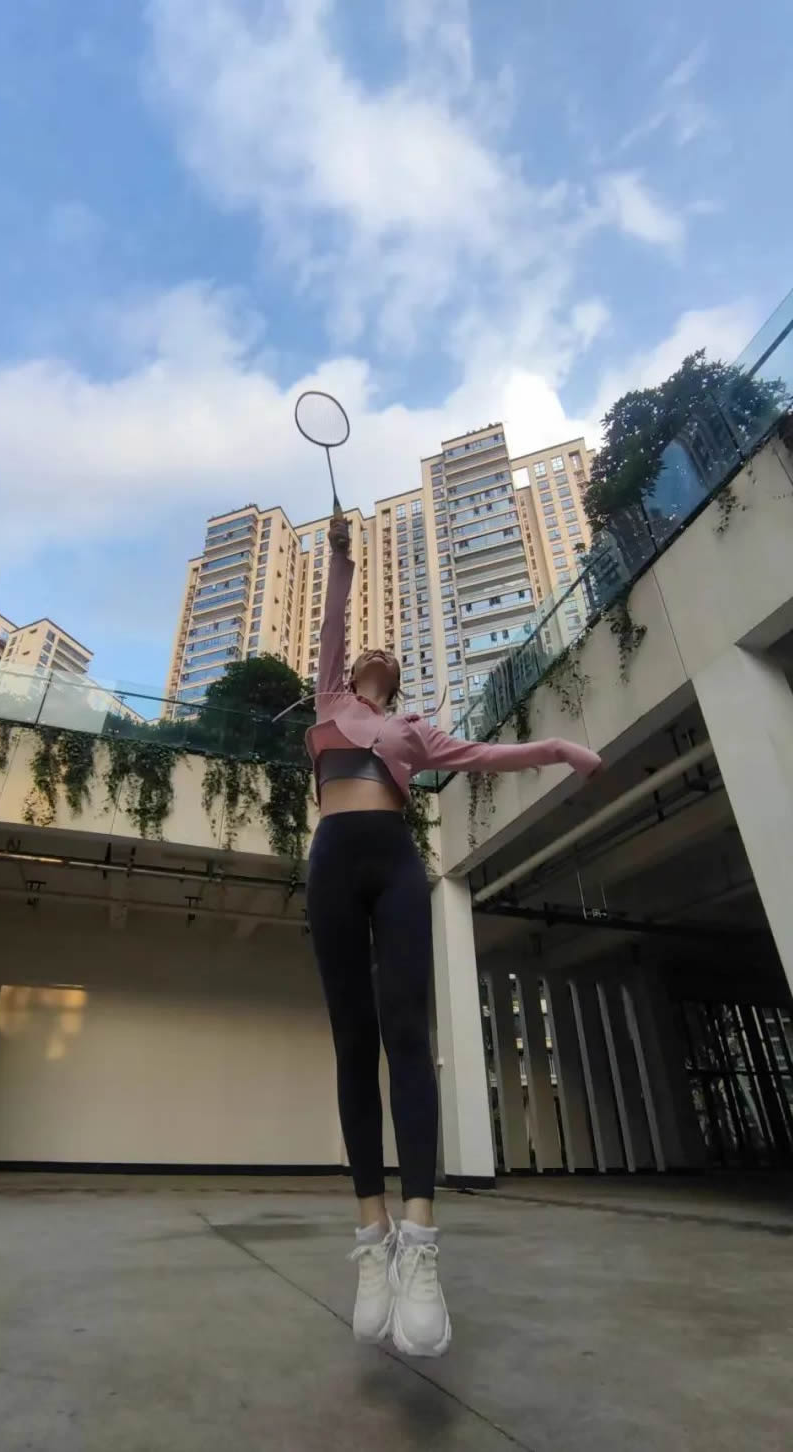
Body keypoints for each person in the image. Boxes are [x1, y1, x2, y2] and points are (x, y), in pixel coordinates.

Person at [304, 509, 602, 1359]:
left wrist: (557, 747)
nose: (375, 652)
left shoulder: (415, 733)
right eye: (370, 651)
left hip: (395, 862)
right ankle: (372, 1239)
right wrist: (341, 558)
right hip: (332, 861)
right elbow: (331, 626)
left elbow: (486, 756)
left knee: (408, 1035)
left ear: (397, 680)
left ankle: (420, 1243)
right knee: (352, 1043)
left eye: (388, 655)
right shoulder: (328, 699)